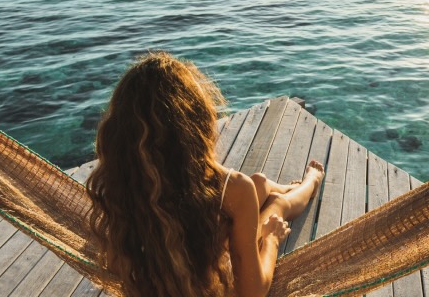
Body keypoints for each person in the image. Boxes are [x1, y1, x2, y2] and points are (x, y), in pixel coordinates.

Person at [86, 52, 325, 296]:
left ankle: (279, 187)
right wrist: (272, 239)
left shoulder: (118, 191)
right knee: (276, 206)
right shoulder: (229, 188)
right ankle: (309, 182)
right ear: (193, 126)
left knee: (258, 184)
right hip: (209, 284)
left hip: (197, 247)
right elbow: (251, 292)